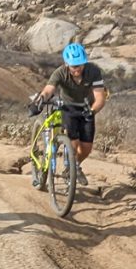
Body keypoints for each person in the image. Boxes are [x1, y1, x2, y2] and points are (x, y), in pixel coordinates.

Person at [30, 42, 106, 186]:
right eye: (74, 66)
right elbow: (48, 89)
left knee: (86, 148)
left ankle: (74, 167)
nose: (77, 69)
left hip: (87, 109)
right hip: (68, 108)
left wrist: (92, 111)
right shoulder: (60, 72)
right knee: (73, 142)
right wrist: (40, 101)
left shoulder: (93, 71)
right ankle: (69, 164)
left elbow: (100, 98)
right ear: (66, 64)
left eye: (80, 65)